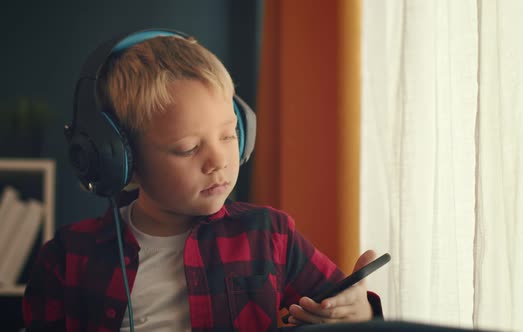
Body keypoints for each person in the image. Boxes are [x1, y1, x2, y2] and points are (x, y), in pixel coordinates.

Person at [22, 29, 382, 331]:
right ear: (121, 157)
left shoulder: (272, 236)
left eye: (228, 136)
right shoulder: (66, 259)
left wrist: (358, 312)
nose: (217, 160)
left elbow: (342, 308)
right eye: (188, 148)